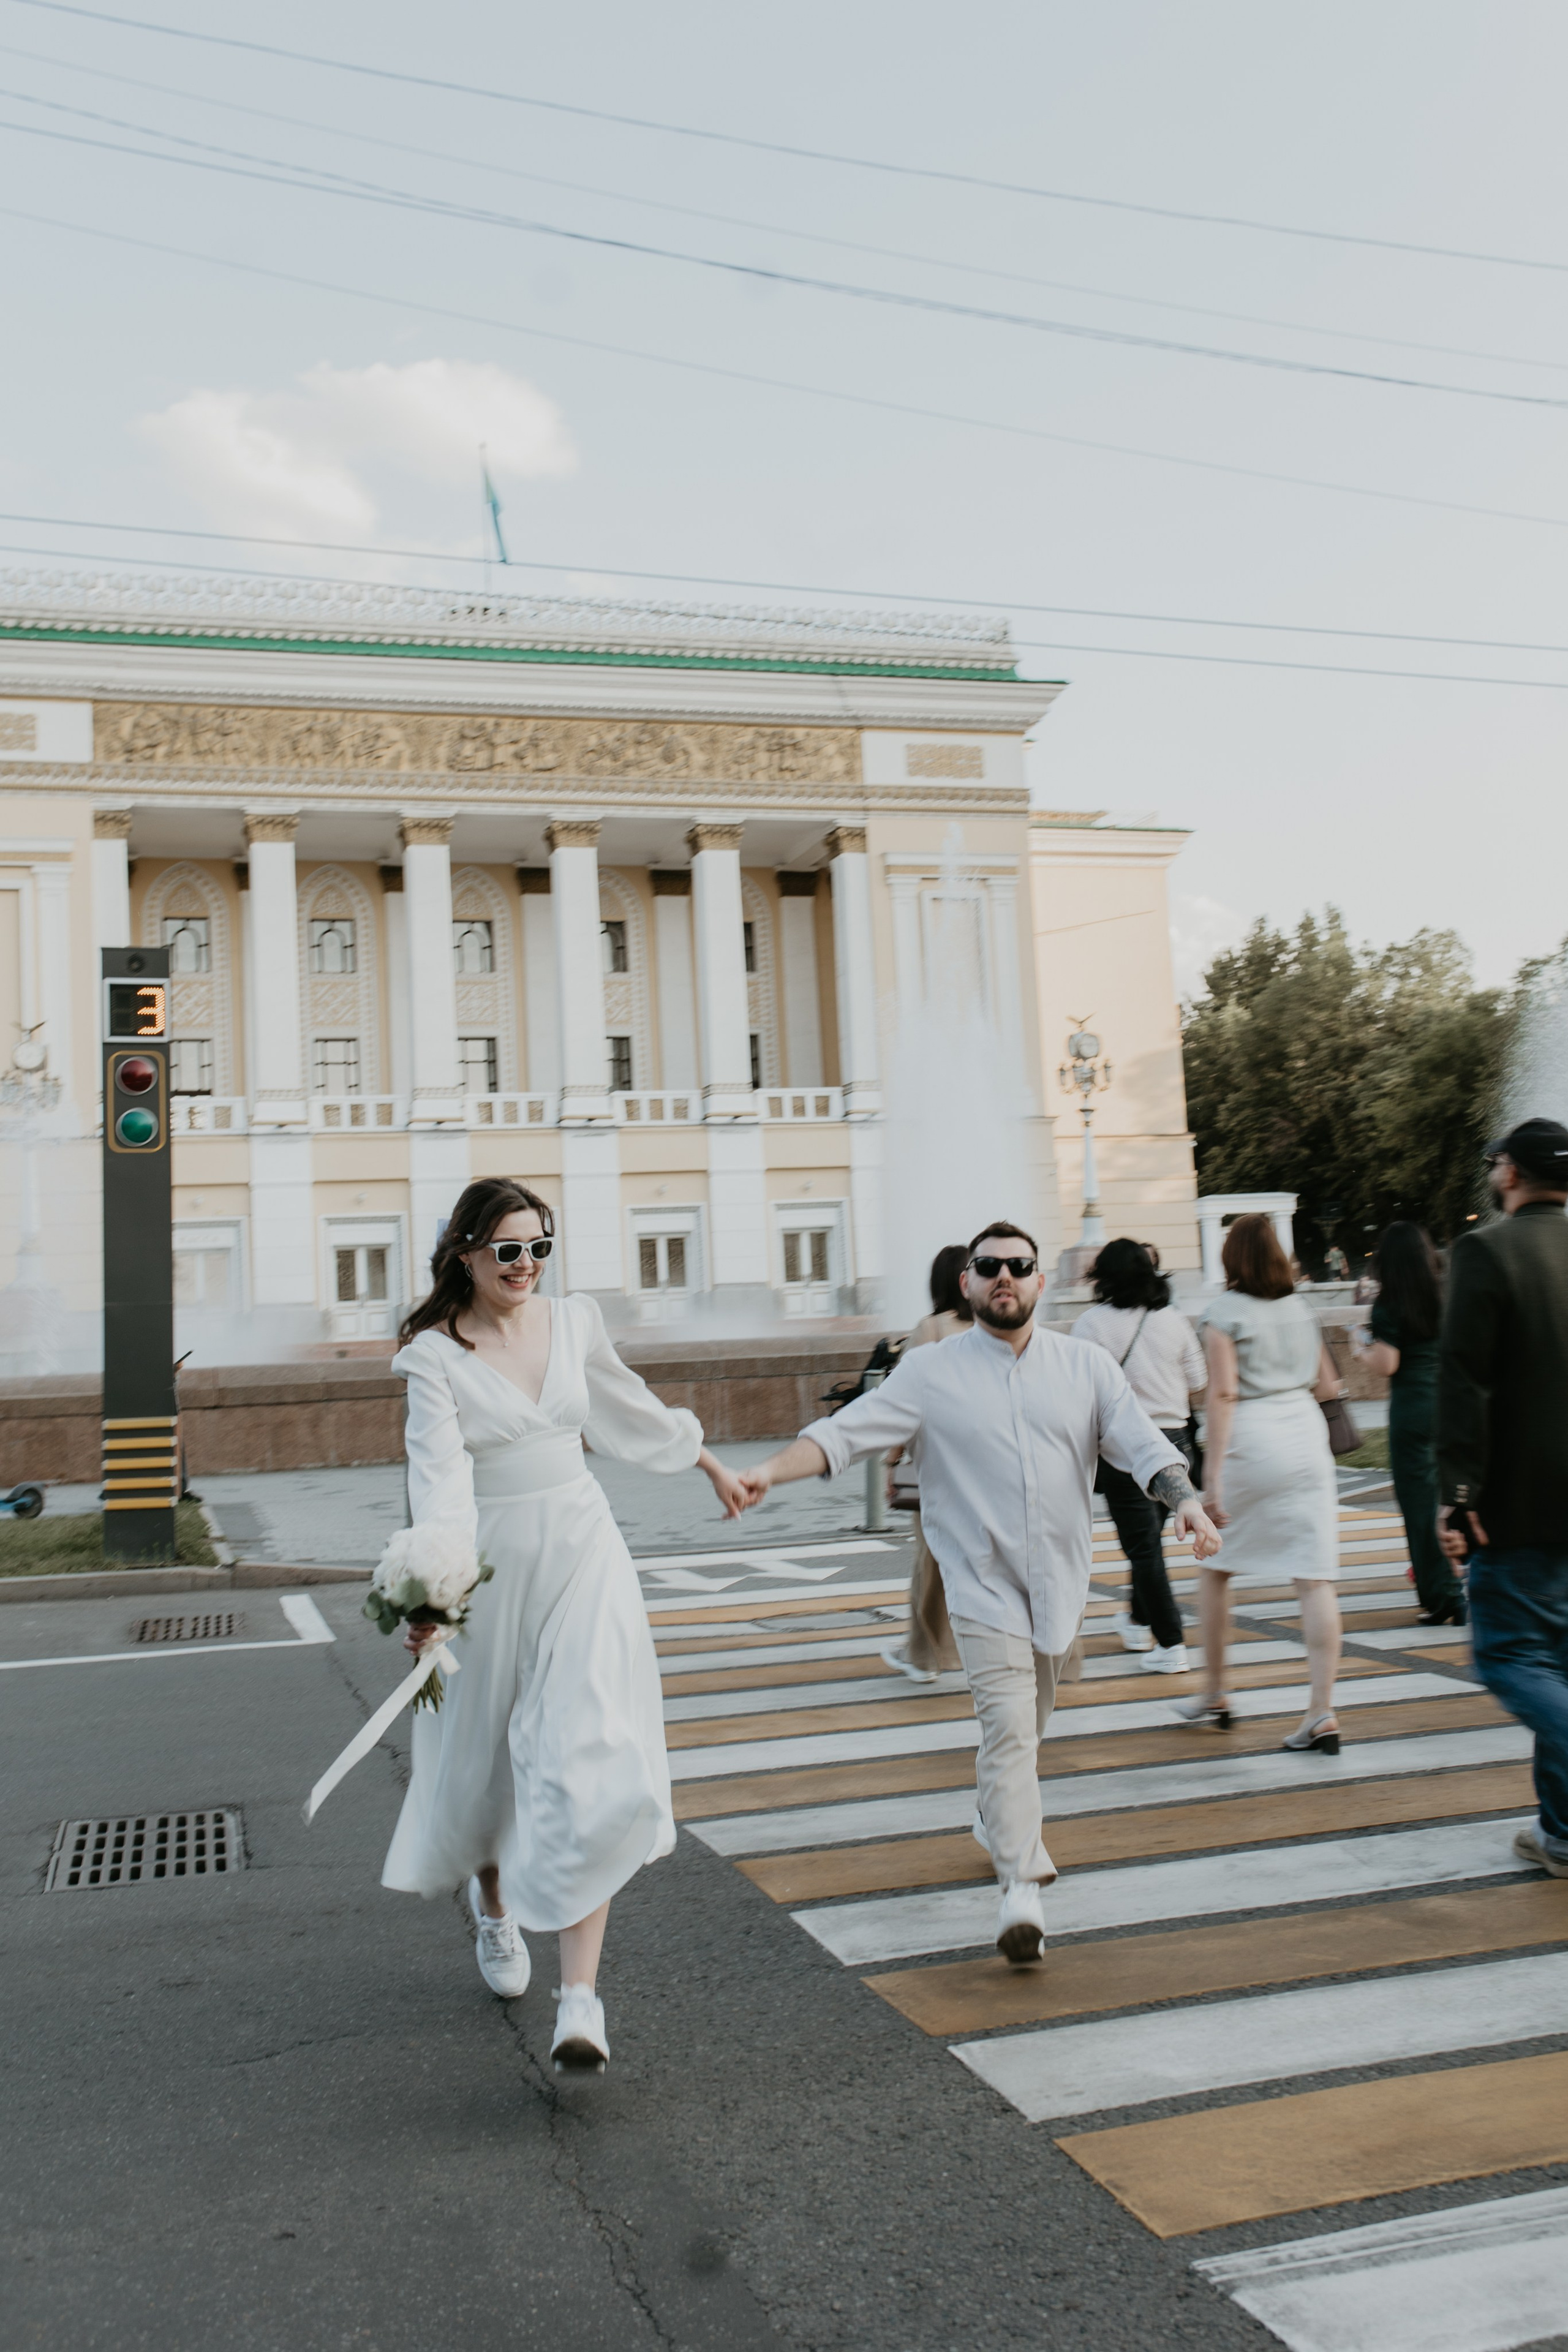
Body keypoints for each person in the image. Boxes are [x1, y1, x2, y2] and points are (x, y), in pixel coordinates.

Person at [734, 1219, 1221, 1965]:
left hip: (1058, 1584)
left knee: (1029, 1724)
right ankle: (1019, 1886)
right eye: (987, 1266)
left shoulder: (1083, 1365)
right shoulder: (931, 1371)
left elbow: (1142, 1443)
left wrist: (1183, 1500)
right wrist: (769, 1470)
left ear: (1039, 1282)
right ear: (966, 1283)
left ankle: (992, 1814)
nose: (1004, 1277)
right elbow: (845, 1434)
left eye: (1018, 1266)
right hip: (979, 1584)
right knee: (1007, 1727)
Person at [384, 1177, 748, 2066]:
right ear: (466, 1253)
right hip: (495, 1562)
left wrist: (706, 1463)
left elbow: (627, 1408)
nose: (525, 1266)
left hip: (584, 1548)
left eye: (539, 1247)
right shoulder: (434, 1356)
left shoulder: (574, 1321)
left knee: (592, 1754)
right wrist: (434, 1595)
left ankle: (579, 2000)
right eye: (508, 1250)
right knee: (485, 1764)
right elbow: (440, 1484)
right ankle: (496, 1912)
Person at [1438, 1116, 1568, 1880]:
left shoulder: (1486, 1251)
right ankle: (1560, 1831)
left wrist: (1456, 1495)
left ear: (1510, 1173)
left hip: (1517, 1502)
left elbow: (1466, 1383)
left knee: (1508, 1656)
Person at [1192, 1213, 1344, 1752]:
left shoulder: (1221, 1313)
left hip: (1252, 1440)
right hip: (1305, 1434)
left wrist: (1211, 1480)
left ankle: (1216, 1692)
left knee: (1216, 1566)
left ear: (1230, 1259)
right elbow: (1329, 1384)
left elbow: (1224, 1394)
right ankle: (1322, 1712)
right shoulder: (1302, 1308)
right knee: (1314, 1578)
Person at [1073, 1236, 1206, 1673]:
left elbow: (1079, 1392)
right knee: (1147, 1541)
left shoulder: (1091, 1324)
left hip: (1125, 1448)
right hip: (1175, 1441)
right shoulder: (1172, 1320)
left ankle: (1171, 1644)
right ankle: (1135, 1619)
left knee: (1143, 1548)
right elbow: (1198, 1378)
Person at [1354, 1221, 1464, 1624]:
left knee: (1419, 1507)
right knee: (1451, 1501)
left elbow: (1389, 1363)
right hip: (1450, 1405)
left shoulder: (1389, 1304)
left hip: (1412, 1411)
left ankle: (1442, 1596)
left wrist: (1362, 1350)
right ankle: (1457, 1579)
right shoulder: (1446, 1293)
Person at [881, 1242, 971, 1684]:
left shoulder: (931, 1329)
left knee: (930, 1561)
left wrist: (891, 1463)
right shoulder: (996, 1329)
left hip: (938, 1468)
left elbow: (904, 1406)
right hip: (990, 1466)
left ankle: (922, 1656)